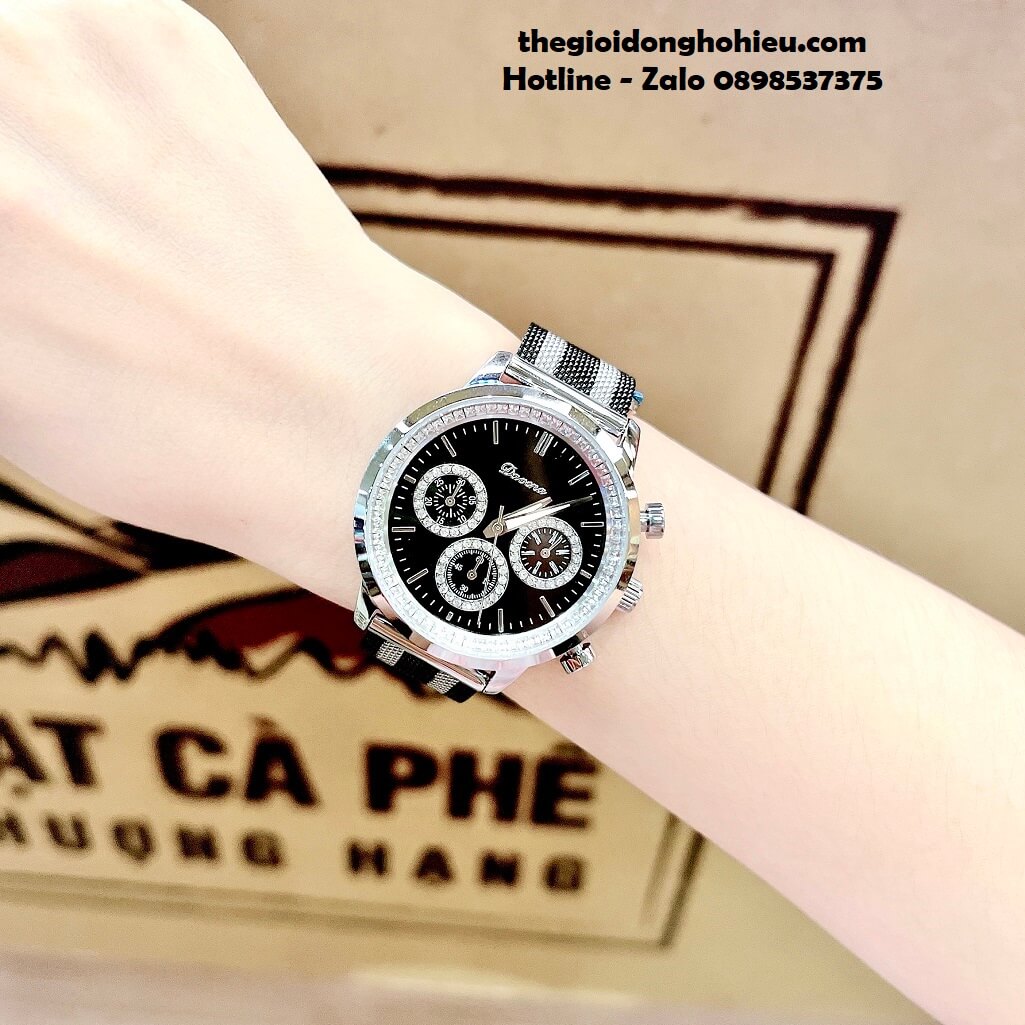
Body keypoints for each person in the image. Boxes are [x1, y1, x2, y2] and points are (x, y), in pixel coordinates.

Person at [0, 4, 1021, 1023]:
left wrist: (334, 402)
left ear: (633, 537)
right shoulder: (556, 474)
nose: (493, 530)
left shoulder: (583, 539)